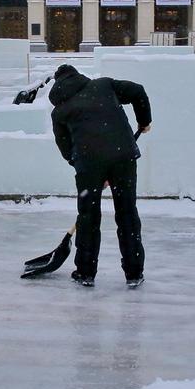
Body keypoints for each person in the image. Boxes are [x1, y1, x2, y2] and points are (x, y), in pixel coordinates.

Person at [48, 64, 151, 289]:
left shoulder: (60, 111)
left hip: (89, 164)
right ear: (78, 76)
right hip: (123, 157)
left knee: (88, 217)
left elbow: (65, 147)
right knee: (127, 213)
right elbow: (138, 91)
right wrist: (144, 120)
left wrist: (86, 165)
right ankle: (134, 273)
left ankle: (85, 272)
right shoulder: (104, 86)